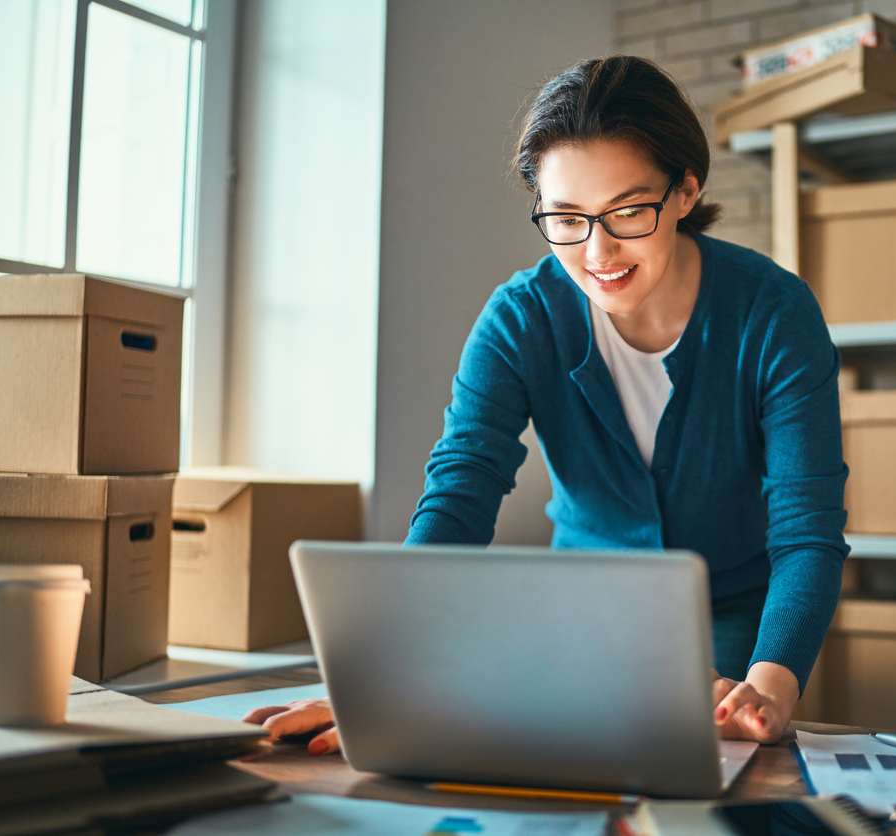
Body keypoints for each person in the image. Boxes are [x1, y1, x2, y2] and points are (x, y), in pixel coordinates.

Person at [243, 55, 848, 756]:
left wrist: (768, 687)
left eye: (628, 211)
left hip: (737, 618)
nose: (598, 251)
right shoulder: (521, 320)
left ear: (686, 189)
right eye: (566, 218)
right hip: (579, 622)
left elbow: (806, 532)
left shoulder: (774, 314)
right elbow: (460, 491)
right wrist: (384, 676)